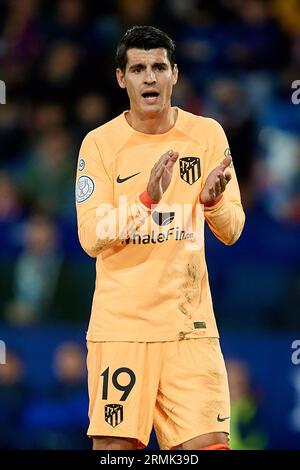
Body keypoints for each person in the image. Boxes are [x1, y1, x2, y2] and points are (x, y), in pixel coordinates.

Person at [75, 25, 245, 451]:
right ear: (121, 78)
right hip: (121, 332)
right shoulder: (98, 144)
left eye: (158, 67)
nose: (149, 77)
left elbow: (232, 230)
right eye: (137, 69)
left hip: (190, 328)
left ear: (175, 75)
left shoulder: (207, 135)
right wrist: (147, 198)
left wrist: (212, 203)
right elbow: (91, 235)